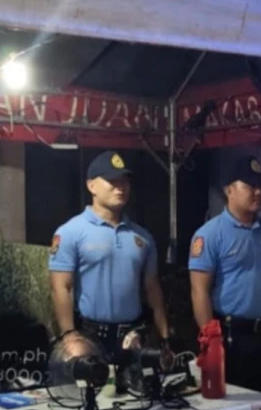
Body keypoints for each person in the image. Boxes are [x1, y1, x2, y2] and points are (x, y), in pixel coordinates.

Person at [49, 151, 170, 388]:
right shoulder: (70, 232)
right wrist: (69, 337)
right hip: (90, 338)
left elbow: (152, 288)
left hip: (133, 339)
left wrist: (165, 336)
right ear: (91, 185)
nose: (120, 188)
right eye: (112, 181)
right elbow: (60, 287)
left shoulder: (142, 237)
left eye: (124, 181)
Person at [188, 155, 261, 396]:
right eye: (250, 186)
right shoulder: (210, 234)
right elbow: (199, 291)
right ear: (229, 191)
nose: (258, 192)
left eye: (260, 186)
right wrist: (210, 341)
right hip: (229, 336)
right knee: (229, 407)